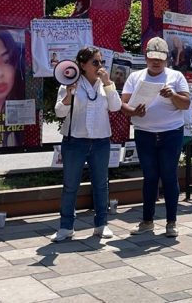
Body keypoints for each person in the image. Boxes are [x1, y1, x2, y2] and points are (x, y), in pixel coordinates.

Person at [121, 37, 190, 238]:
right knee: (150, 177)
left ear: (167, 58)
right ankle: (147, 221)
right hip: (144, 134)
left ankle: (171, 222)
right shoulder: (135, 77)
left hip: (171, 132)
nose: (156, 62)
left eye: (160, 58)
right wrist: (134, 111)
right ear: (146, 57)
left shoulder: (176, 77)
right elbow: (123, 105)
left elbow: (185, 104)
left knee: (169, 175)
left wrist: (173, 96)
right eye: (152, 58)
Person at [51, 47, 121, 242]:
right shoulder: (70, 82)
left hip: (100, 141)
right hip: (75, 141)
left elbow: (115, 107)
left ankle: (101, 225)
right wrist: (69, 95)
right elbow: (59, 112)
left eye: (101, 62)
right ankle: (66, 227)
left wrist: (108, 83)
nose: (100, 66)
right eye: (95, 62)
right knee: (70, 185)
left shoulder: (105, 84)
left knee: (101, 184)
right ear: (83, 65)